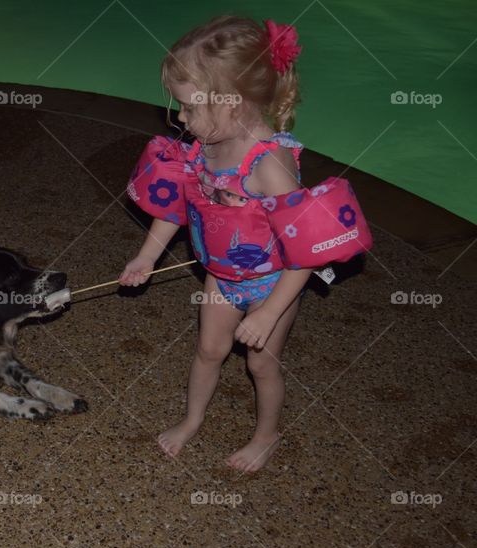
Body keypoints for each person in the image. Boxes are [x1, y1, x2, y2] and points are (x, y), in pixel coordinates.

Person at [119, 16, 373, 472]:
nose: (180, 118)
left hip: (274, 284)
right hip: (221, 276)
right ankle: (192, 419)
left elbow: (306, 250)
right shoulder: (205, 145)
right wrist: (146, 255)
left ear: (231, 104)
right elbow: (179, 203)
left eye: (190, 107)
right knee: (208, 351)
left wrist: (269, 311)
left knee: (262, 366)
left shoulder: (269, 166)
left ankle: (266, 435)